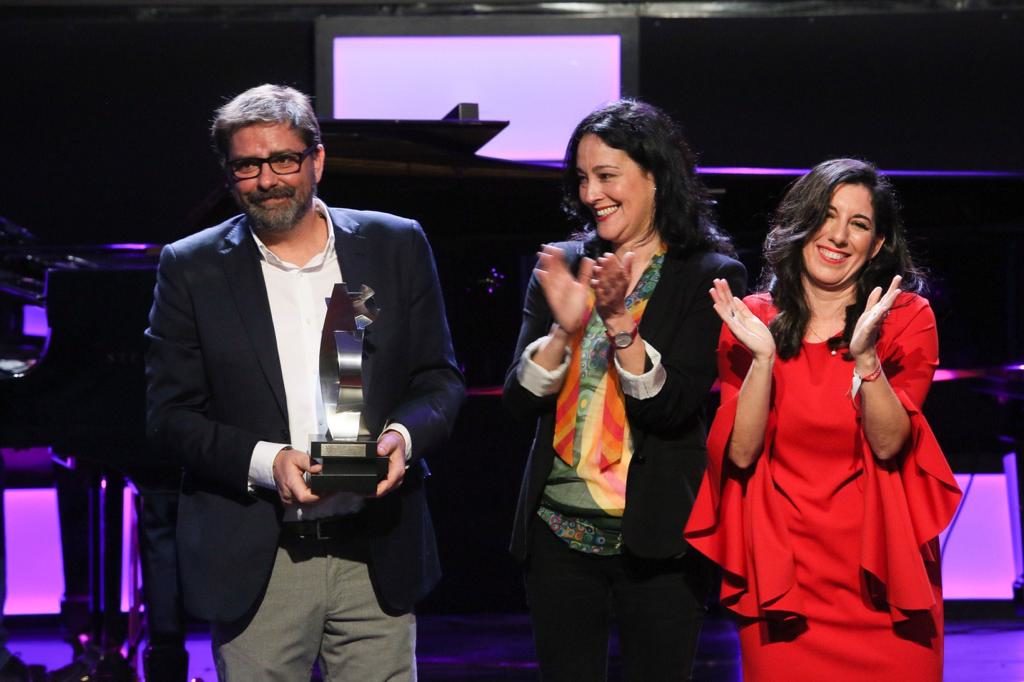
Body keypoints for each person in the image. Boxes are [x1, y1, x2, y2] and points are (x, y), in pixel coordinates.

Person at [145, 84, 464, 680]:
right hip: (261, 562)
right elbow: (170, 416)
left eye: (284, 159)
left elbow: (439, 380)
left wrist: (402, 438)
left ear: (316, 159)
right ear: (230, 173)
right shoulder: (190, 267)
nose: (267, 179)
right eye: (247, 165)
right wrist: (270, 463)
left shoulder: (395, 243)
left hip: (376, 550)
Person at [684, 158, 962, 680]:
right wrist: (763, 359)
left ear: (877, 244)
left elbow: (889, 444)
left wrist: (867, 360)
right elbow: (739, 453)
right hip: (786, 581)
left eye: (858, 224)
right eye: (825, 216)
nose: (837, 236)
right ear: (800, 223)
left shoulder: (906, 319)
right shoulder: (751, 320)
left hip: (882, 580)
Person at [503, 99, 746, 681]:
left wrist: (618, 323)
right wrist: (565, 330)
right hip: (557, 533)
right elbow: (520, 401)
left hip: (656, 541)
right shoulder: (564, 264)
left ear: (655, 177)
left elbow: (671, 407)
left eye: (606, 176)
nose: (591, 194)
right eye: (583, 179)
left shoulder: (706, 275)